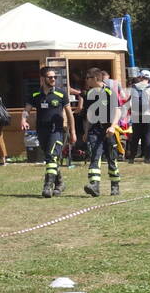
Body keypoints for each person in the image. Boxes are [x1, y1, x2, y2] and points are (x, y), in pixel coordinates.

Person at [27, 68, 75, 197]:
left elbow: (70, 114)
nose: (53, 79)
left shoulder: (61, 94)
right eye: (50, 77)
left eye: (54, 77)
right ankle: (60, 183)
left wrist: (73, 132)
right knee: (50, 158)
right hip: (41, 131)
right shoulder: (35, 95)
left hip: (57, 130)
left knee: (52, 156)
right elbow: (27, 110)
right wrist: (23, 119)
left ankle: (47, 185)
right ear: (42, 79)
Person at [81, 67, 121, 196]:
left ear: (95, 78)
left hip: (108, 129)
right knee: (94, 155)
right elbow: (89, 114)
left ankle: (115, 186)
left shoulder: (110, 93)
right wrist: (86, 131)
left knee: (111, 157)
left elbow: (118, 111)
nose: (86, 80)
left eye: (88, 78)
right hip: (94, 130)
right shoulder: (89, 94)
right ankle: (94, 186)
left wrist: (113, 126)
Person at [127, 68, 150, 162]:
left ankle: (132, 157)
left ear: (140, 77)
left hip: (136, 115)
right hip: (147, 115)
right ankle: (147, 158)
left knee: (135, 137)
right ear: (149, 78)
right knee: (148, 136)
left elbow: (129, 101)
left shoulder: (133, 87)